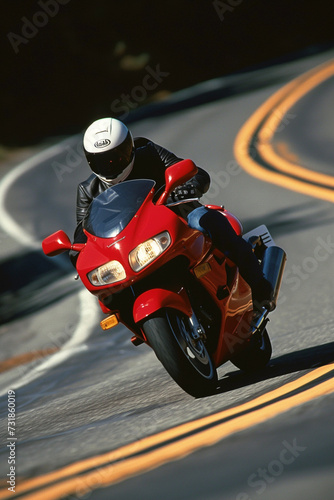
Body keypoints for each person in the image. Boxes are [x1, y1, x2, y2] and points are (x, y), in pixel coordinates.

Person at [70, 117, 273, 310]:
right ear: (90, 162)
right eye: (102, 162)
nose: (110, 165)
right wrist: (76, 251)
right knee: (110, 292)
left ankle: (259, 285)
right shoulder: (88, 190)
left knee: (208, 221)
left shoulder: (150, 154)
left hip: (177, 216)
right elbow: (83, 228)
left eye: (117, 157)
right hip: (129, 242)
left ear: (130, 147)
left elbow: (196, 173)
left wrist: (186, 188)